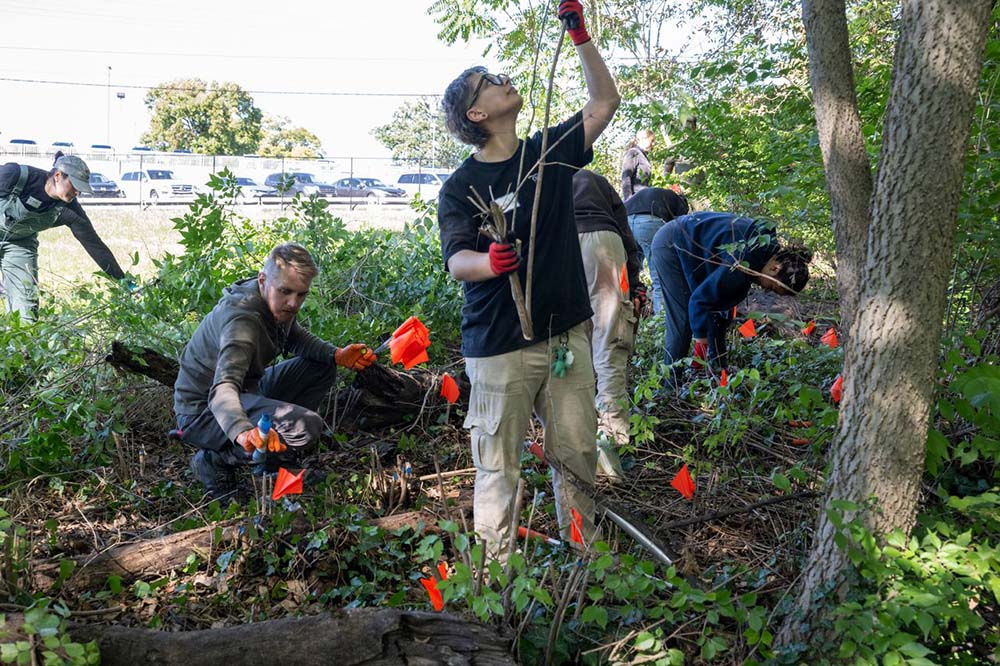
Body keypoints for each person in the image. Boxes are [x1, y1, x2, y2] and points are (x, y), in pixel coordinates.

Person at [437, 0, 619, 555]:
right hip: (498, 345)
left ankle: (586, 562)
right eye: (486, 83)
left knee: (577, 456)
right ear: (476, 114)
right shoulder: (460, 185)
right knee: (498, 467)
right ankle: (498, 580)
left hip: (564, 334)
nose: (501, 80)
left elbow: (604, 101)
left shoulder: (549, 154)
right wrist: (488, 263)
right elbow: (455, 260)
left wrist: (580, 36)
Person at [173, 243, 377, 497]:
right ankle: (216, 460)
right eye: (286, 292)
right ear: (263, 279)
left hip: (247, 390)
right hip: (203, 412)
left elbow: (293, 337)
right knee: (306, 426)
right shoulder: (242, 321)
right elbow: (222, 389)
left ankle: (274, 459)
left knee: (322, 367)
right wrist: (242, 431)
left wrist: (336, 354)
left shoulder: (272, 300)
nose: (293, 303)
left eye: (301, 294)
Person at [649, 211, 812, 390]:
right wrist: (701, 344)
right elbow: (700, 301)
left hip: (690, 249)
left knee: (716, 313)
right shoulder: (744, 261)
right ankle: (669, 387)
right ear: (775, 268)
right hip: (672, 243)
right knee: (683, 320)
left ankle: (718, 368)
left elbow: (719, 311)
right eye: (772, 287)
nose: (766, 290)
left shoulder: (760, 252)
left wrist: (719, 363)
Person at [572, 169, 645, 482]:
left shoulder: (541, 176)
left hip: (562, 244)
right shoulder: (596, 180)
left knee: (571, 342)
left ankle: (576, 437)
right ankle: (612, 441)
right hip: (607, 243)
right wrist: (636, 280)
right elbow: (626, 232)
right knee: (610, 344)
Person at [0, 153, 126, 321]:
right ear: (58, 176)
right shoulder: (14, 176)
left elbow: (94, 244)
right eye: (74, 185)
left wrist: (124, 281)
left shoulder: (68, 209)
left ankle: (22, 346)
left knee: (26, 310)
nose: (77, 192)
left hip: (20, 244)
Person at [625, 186, 689, 315]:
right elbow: (679, 228)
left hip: (626, 221)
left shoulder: (656, 195)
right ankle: (661, 320)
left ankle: (629, 313)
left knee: (629, 273)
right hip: (650, 222)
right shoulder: (679, 202)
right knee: (660, 275)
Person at [620, 129, 654, 200]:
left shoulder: (644, 156)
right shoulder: (633, 152)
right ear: (644, 139)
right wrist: (629, 200)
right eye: (652, 141)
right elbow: (626, 176)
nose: (653, 144)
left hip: (644, 198)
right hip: (635, 199)